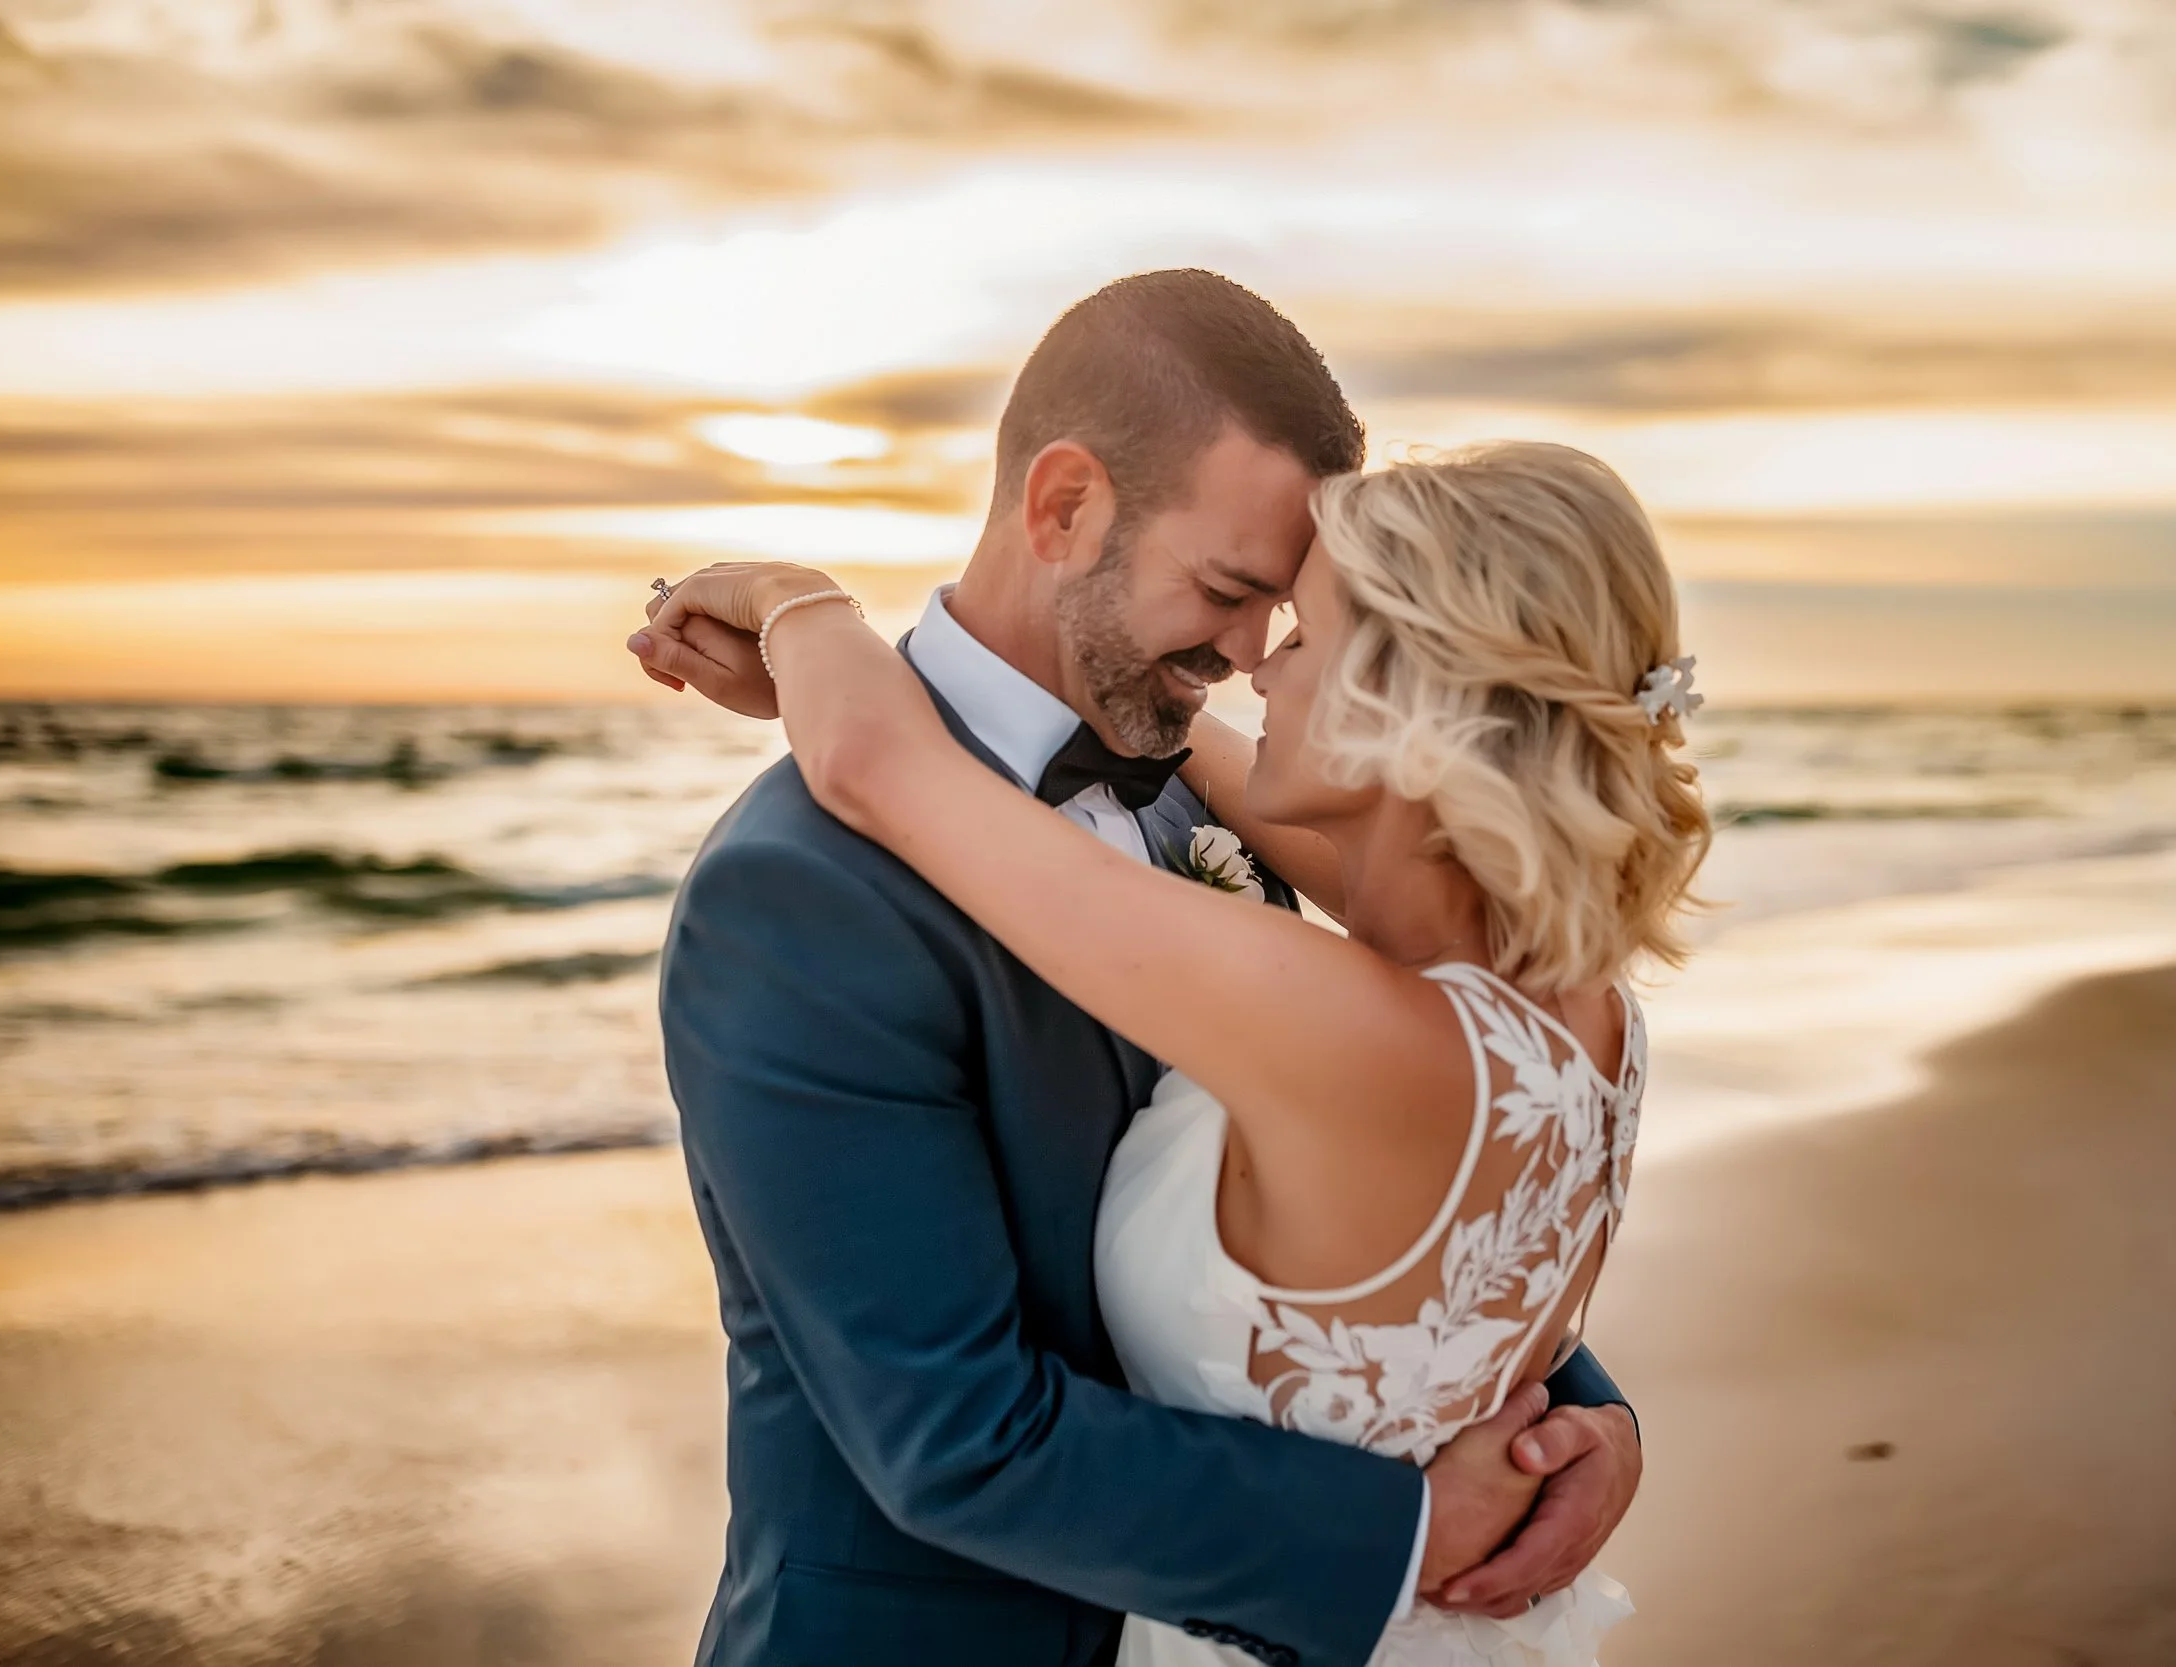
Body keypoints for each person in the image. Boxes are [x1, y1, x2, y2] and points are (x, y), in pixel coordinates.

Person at [631, 272, 1664, 1667]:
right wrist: (1411, 1525)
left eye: (1291, 621)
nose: (1250, 662)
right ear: (1062, 508)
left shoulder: (1226, 806)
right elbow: (954, 1437)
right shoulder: (800, 893)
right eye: (1237, 593)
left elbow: (1378, 1213)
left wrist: (1570, 1410)